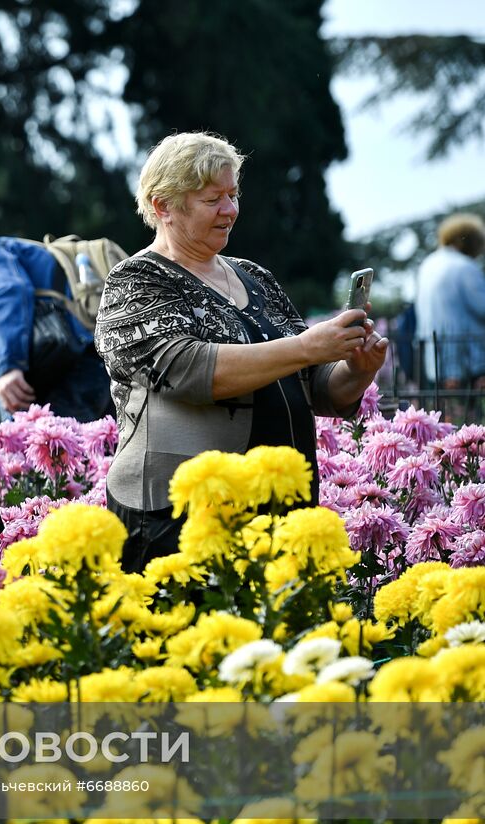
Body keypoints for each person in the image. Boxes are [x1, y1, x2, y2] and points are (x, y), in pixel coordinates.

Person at [96, 132, 388, 571]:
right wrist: (307, 345)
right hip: (177, 521)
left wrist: (357, 369)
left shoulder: (254, 276)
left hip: (278, 513)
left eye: (233, 195)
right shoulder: (135, 281)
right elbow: (188, 370)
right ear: (163, 207)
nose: (230, 210)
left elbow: (316, 387)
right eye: (213, 199)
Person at [0, 236, 114, 422]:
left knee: (27, 443)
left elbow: (5, 292)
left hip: (78, 359)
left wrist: (9, 367)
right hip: (98, 363)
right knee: (73, 445)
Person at [414, 212, 485, 389]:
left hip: (434, 352)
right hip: (466, 355)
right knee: (471, 413)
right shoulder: (465, 266)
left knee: (447, 411)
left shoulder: (428, 263)